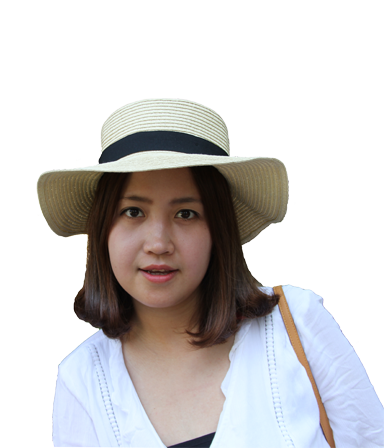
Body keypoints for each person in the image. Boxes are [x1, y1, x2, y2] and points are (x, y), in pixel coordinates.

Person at [37, 98, 384, 448]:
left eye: (186, 214)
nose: (158, 243)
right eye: (133, 211)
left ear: (219, 229)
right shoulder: (82, 380)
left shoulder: (296, 324)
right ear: (102, 230)